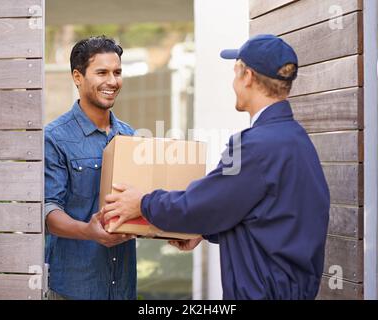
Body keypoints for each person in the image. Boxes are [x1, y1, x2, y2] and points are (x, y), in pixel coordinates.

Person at [101, 34, 330, 300]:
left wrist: (142, 203)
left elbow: (201, 204)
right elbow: (264, 217)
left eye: (235, 72)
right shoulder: (295, 139)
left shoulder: (257, 146)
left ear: (247, 76)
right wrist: (203, 229)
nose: (233, 83)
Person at [44, 36, 136, 300]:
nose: (112, 81)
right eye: (102, 72)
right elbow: (49, 211)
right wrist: (88, 231)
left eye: (117, 72)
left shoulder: (129, 135)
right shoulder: (54, 137)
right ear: (77, 76)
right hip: (75, 288)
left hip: (123, 288)